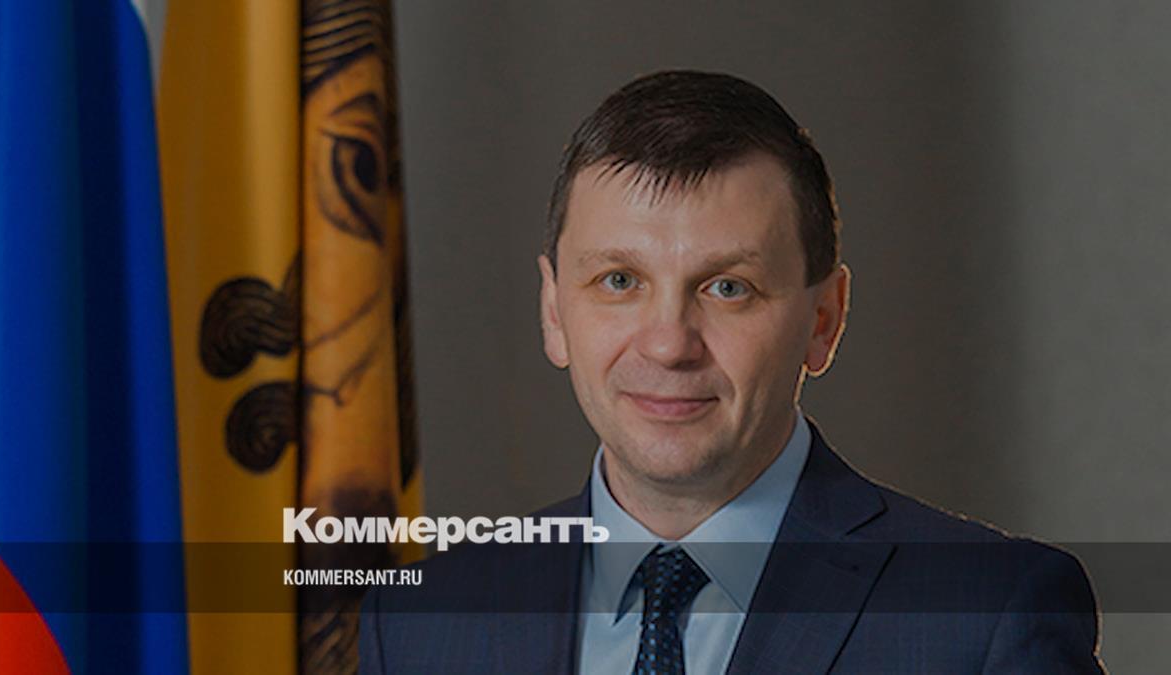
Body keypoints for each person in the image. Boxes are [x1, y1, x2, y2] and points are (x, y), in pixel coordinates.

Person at [358, 70, 1104, 674]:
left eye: (727, 287)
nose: (668, 344)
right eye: (619, 281)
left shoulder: (988, 617)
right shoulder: (420, 621)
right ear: (554, 311)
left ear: (824, 320)